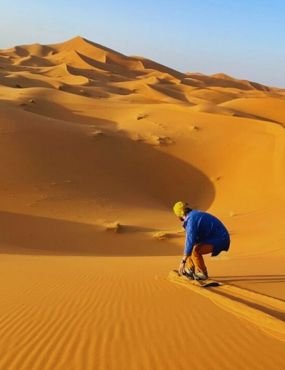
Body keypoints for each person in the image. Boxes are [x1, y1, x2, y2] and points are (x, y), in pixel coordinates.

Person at [173, 201, 230, 280]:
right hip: (215, 236)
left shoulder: (191, 220)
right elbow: (190, 242)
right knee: (191, 247)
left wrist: (183, 262)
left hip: (220, 238)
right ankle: (191, 269)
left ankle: (203, 273)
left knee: (196, 250)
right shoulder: (193, 215)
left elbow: (190, 240)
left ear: (180, 214)